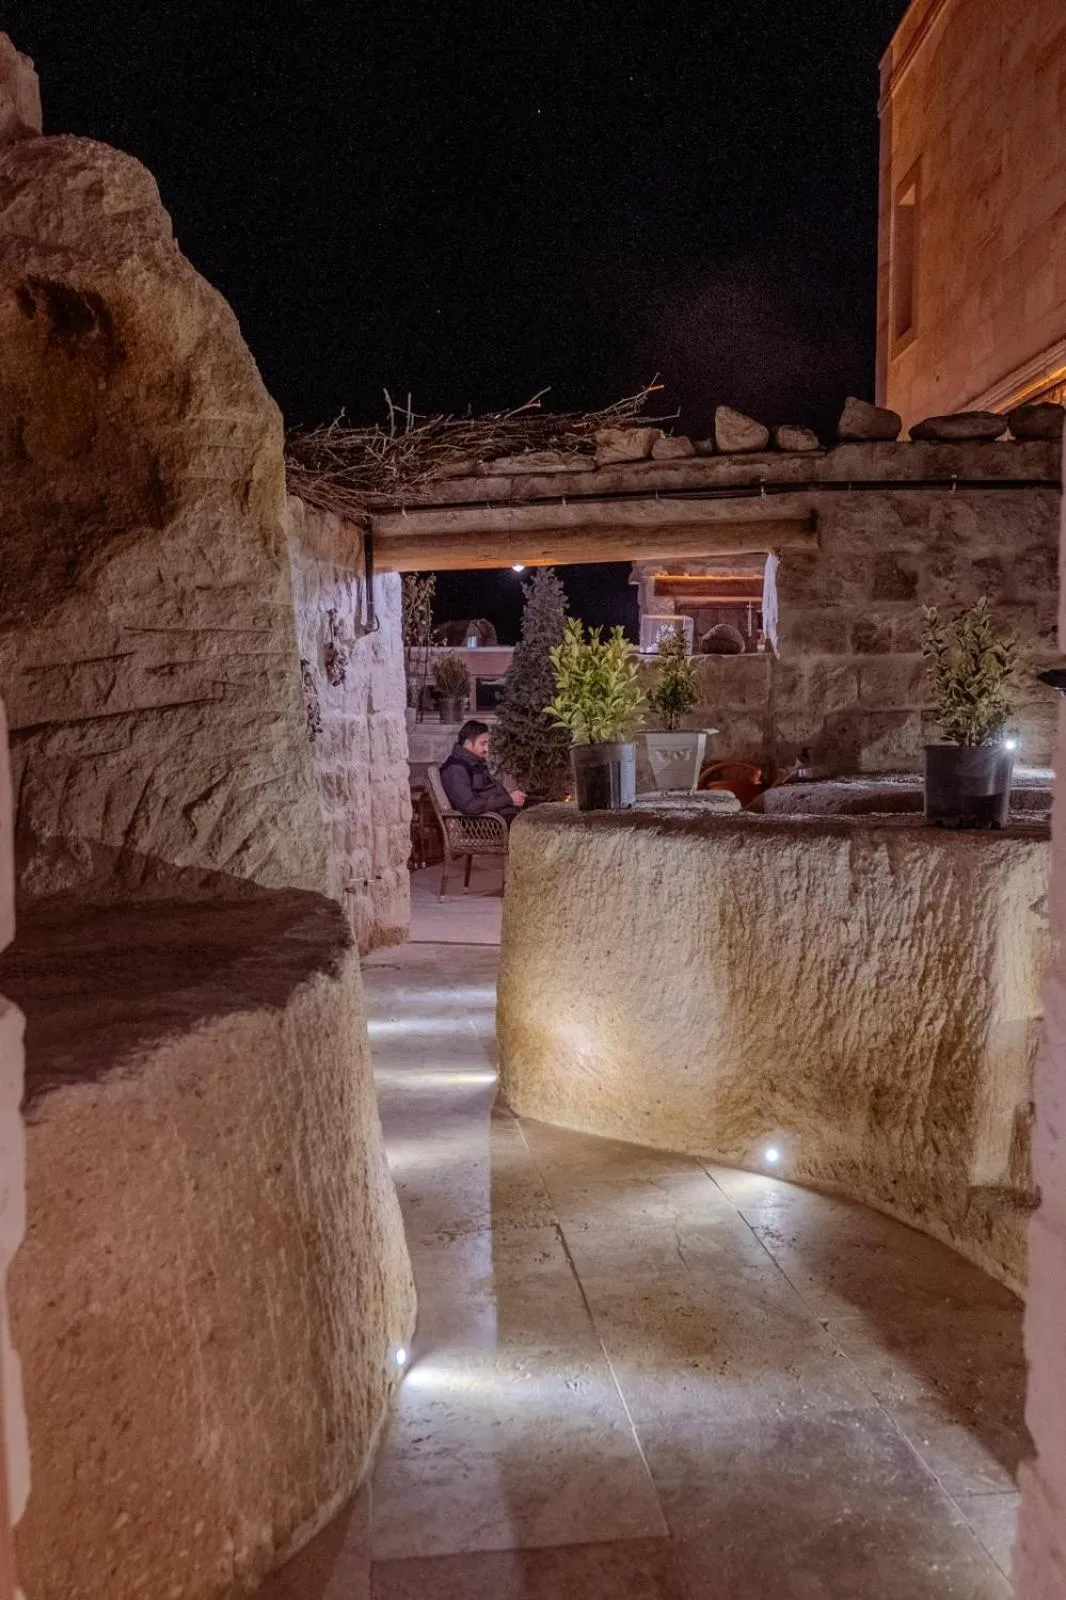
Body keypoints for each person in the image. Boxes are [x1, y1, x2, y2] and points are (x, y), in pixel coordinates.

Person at [439, 720, 526, 823]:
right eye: (483, 743)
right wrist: (507, 799)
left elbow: (487, 792)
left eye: (488, 744)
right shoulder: (455, 769)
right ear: (468, 743)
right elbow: (469, 806)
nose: (487, 749)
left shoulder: (475, 762)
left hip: (498, 814)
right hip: (484, 823)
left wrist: (511, 798)